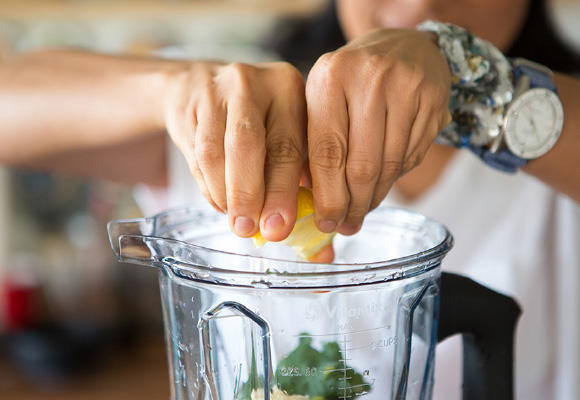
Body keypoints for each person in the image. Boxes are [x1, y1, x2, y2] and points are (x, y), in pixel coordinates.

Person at [0, 0, 579, 398]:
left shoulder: (557, 143)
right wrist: (175, 89)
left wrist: (469, 77)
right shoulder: (243, 129)